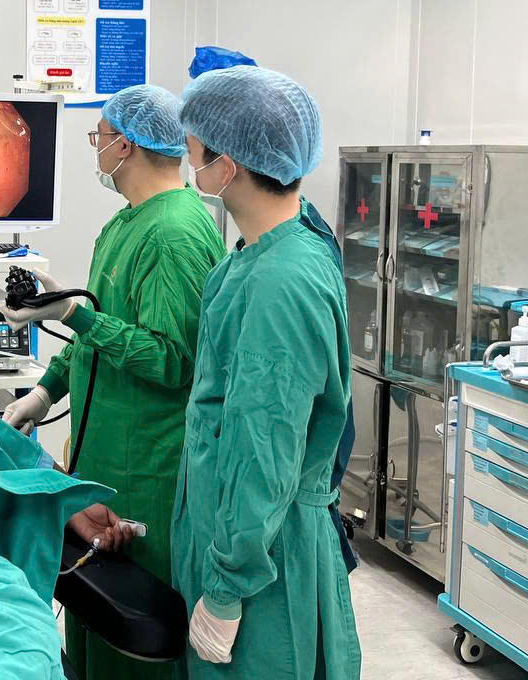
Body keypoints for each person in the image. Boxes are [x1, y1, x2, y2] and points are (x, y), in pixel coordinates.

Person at [0, 83, 227, 680]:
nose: (95, 147)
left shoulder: (175, 232)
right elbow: (101, 335)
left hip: (148, 467)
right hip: (105, 456)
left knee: (134, 630)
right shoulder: (127, 223)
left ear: (124, 145)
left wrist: (78, 317)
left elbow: (174, 360)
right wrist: (44, 393)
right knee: (93, 619)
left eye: (97, 136)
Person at [169, 65, 361, 679]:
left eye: (193, 149)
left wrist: (228, 587)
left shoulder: (282, 284)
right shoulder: (258, 252)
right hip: (230, 533)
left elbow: (265, 448)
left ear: (226, 166)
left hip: (265, 566)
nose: (187, 161)